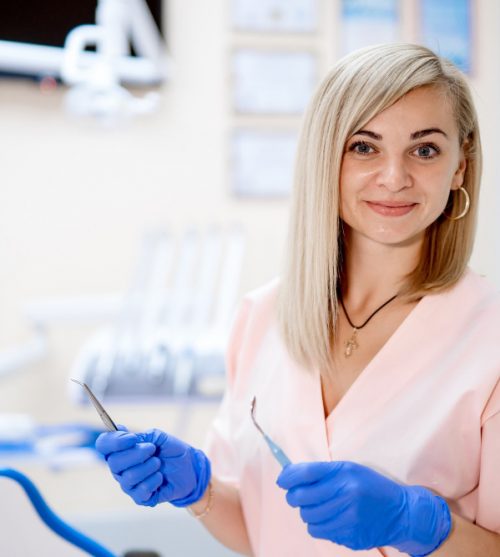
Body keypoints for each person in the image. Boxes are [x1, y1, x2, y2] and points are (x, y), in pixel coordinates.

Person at [95, 43, 500, 556]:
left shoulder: (490, 339)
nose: (394, 177)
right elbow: (261, 530)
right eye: (364, 146)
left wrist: (420, 525)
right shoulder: (263, 317)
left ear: (460, 167)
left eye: (424, 150)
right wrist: (197, 492)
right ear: (325, 157)